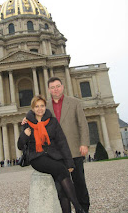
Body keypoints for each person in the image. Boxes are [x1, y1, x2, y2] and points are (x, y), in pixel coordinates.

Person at [18, 95, 85, 213]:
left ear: (45, 107)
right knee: (61, 169)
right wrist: (24, 135)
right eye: (37, 106)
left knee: (61, 189)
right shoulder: (27, 123)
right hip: (37, 158)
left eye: (42, 106)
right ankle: (78, 208)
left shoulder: (52, 121)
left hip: (54, 155)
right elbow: (20, 146)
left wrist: (70, 163)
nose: (40, 109)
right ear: (33, 108)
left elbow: (62, 142)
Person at [47, 77, 90, 213]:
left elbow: (82, 124)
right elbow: (35, 120)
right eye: (53, 87)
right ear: (49, 90)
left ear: (63, 87)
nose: (56, 89)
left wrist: (84, 143)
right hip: (57, 153)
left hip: (74, 149)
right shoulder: (45, 107)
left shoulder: (75, 102)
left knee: (79, 183)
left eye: (58, 86)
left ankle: (83, 209)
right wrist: (26, 120)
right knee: (61, 186)